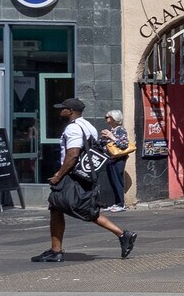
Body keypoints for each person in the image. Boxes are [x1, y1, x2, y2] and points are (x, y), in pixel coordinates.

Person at [34, 98, 135, 264]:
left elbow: (73, 154)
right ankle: (55, 250)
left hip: (73, 175)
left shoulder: (73, 129)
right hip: (84, 174)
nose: (61, 112)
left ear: (71, 111)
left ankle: (123, 234)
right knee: (56, 207)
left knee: (85, 210)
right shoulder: (88, 126)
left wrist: (59, 175)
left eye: (63, 109)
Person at [99, 110, 132, 212]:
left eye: (107, 117)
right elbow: (103, 144)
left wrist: (111, 137)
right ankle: (116, 203)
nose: (106, 119)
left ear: (114, 118)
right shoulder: (111, 130)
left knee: (117, 181)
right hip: (110, 159)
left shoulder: (120, 130)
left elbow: (123, 145)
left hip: (118, 159)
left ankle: (121, 204)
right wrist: (103, 138)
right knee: (112, 181)